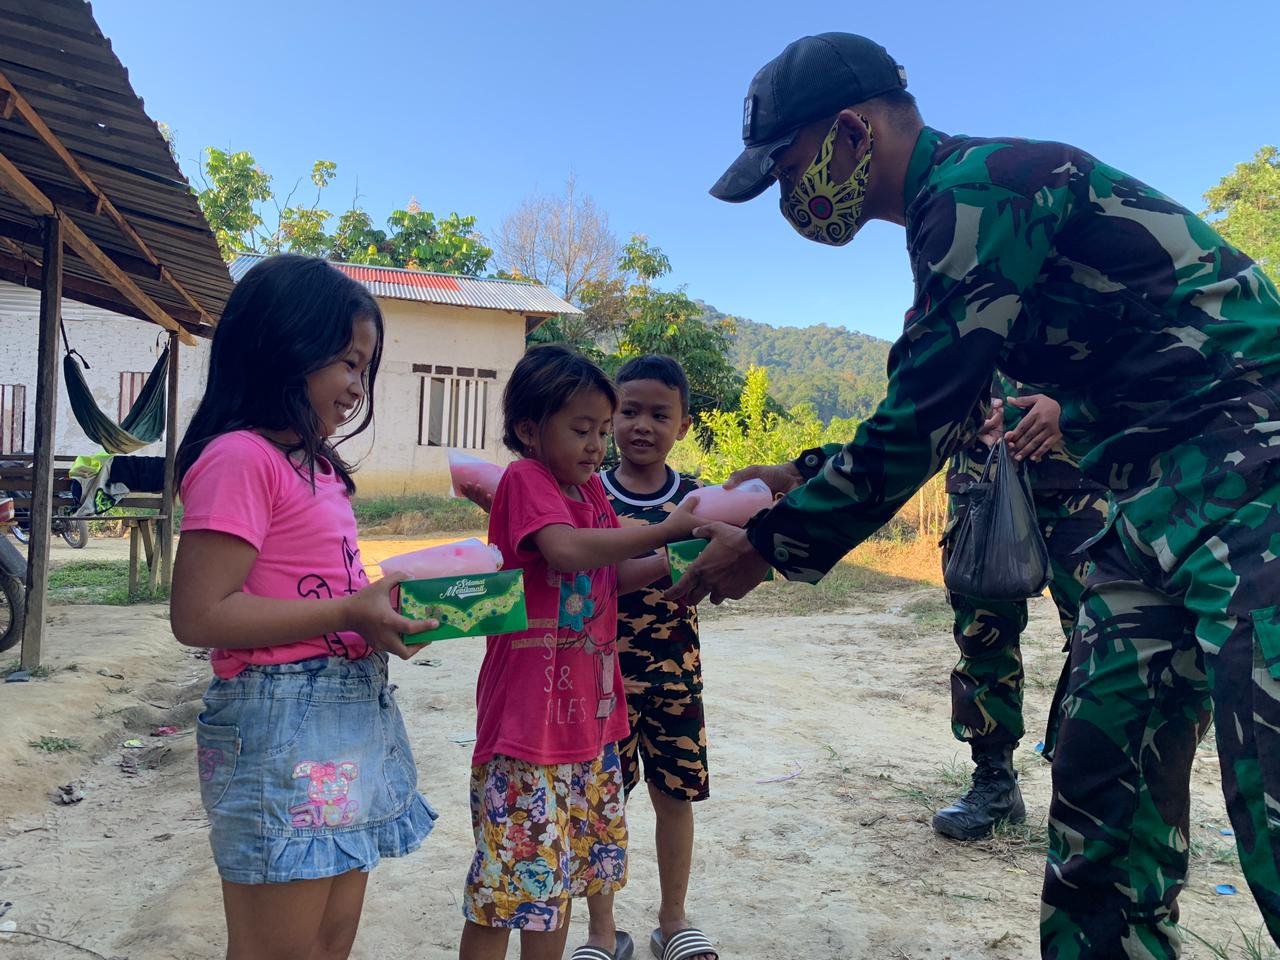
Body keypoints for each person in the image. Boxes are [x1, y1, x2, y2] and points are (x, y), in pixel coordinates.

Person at [674, 31, 1280, 958]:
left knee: (1269, 782)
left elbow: (929, 404)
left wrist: (765, 544)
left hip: (1252, 464)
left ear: (850, 130)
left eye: (786, 164)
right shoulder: (950, 225)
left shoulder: (979, 190)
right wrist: (796, 476)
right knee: (1100, 780)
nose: (787, 195)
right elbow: (958, 398)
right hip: (1150, 503)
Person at [170, 254, 439, 960]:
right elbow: (199, 615)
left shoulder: (318, 469)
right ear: (284, 345)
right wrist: (350, 613)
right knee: (276, 948)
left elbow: (318, 587)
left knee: (329, 938)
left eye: (364, 368)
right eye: (347, 363)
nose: (357, 387)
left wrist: (380, 610)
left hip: (350, 718)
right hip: (280, 722)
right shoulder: (239, 458)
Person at [459, 345, 705, 960]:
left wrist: (688, 559)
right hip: (526, 727)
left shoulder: (589, 488)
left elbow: (609, 575)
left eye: (601, 429)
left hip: (588, 725)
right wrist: (671, 528)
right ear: (528, 430)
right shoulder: (528, 481)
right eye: (582, 429)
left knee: (558, 880)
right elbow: (566, 553)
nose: (598, 444)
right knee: (505, 888)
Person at [932, 376, 1108, 841]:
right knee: (981, 636)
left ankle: (1098, 797)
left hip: (1083, 481)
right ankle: (995, 785)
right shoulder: (957, 299)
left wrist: (1068, 405)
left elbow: (1142, 359)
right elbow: (927, 372)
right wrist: (964, 415)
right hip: (981, 477)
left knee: (1106, 639)